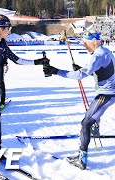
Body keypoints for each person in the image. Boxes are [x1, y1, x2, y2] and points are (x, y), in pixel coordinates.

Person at [0, 14, 49, 155]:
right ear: (0, 28)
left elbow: (17, 60)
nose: (10, 31)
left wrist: (38, 61)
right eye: (8, 28)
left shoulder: (3, 44)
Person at [43, 32, 115, 170]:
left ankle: (82, 160)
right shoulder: (104, 51)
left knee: (85, 124)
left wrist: (55, 71)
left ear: (94, 41)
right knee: (89, 120)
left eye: (85, 42)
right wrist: (82, 68)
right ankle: (94, 128)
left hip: (107, 94)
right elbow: (96, 69)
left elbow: (79, 76)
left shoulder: (98, 55)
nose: (84, 44)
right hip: (107, 92)